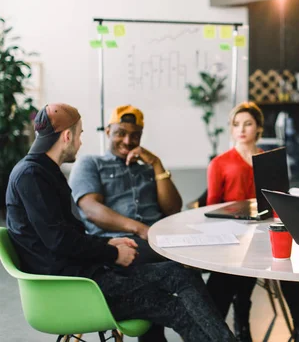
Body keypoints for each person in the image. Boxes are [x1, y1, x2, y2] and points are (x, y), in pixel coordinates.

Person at [5, 103, 235, 342]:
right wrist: (111, 252)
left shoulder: (44, 172)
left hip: (86, 273)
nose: (81, 142)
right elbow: (59, 240)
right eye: (80, 134)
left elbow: (65, 233)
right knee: (174, 307)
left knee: (180, 274)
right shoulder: (31, 176)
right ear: (67, 136)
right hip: (74, 287)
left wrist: (109, 243)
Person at [69, 104, 183, 341]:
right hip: (116, 246)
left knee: (209, 266)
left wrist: (157, 164)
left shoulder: (147, 170)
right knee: (180, 272)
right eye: (121, 132)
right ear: (108, 131)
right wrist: (140, 229)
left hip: (154, 243)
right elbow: (91, 209)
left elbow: (173, 207)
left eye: (135, 135)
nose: (128, 140)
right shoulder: (91, 164)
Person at [205, 102, 299, 342]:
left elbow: (278, 199)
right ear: (231, 130)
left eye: (248, 124)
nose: (241, 129)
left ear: (259, 129)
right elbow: (211, 206)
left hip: (265, 231)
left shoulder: (269, 160)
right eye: (236, 125)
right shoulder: (219, 163)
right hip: (234, 234)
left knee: (287, 264)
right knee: (248, 265)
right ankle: (242, 326)